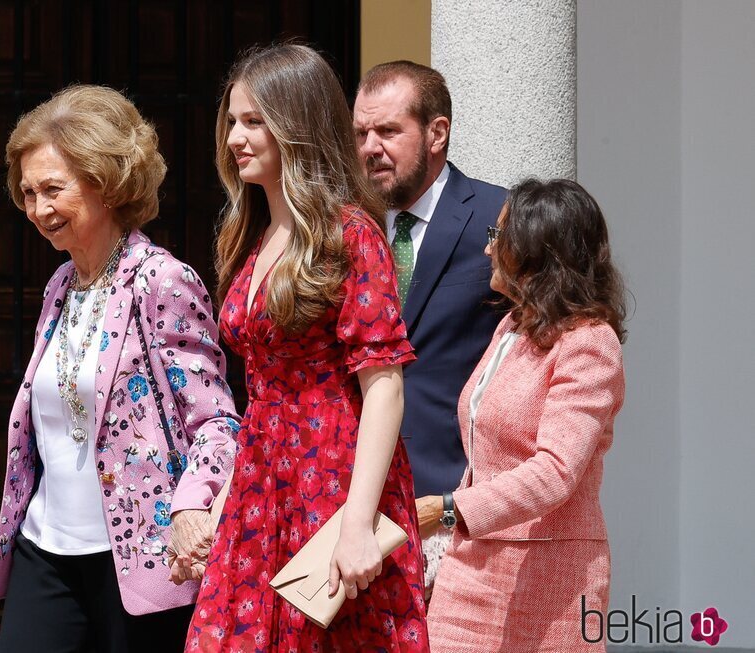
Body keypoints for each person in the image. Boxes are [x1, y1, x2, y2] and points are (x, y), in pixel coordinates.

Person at [185, 44, 429, 652]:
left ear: (297, 126)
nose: (236, 137)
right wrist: (225, 503)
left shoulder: (352, 235)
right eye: (233, 121)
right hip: (263, 480)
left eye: (254, 121)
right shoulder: (253, 234)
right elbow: (262, 394)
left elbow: (385, 388)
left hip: (332, 479)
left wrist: (357, 523)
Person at [0, 85, 239, 652]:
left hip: (137, 561)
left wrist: (192, 508)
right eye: (27, 193)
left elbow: (217, 422)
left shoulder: (160, 281)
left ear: (105, 182)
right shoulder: (59, 287)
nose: (37, 209)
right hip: (45, 549)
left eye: (53, 189)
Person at [423, 178, 627, 651]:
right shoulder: (510, 325)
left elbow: (556, 471)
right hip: (468, 572)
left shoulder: (589, 343)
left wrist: (449, 511)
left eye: (500, 237)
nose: (489, 249)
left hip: (545, 582)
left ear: (538, 251)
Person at [352, 61, 507, 592]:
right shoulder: (344, 229)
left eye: (388, 131)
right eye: (361, 133)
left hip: (456, 509)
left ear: (437, 132)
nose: (371, 146)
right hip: (353, 509)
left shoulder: (500, 218)